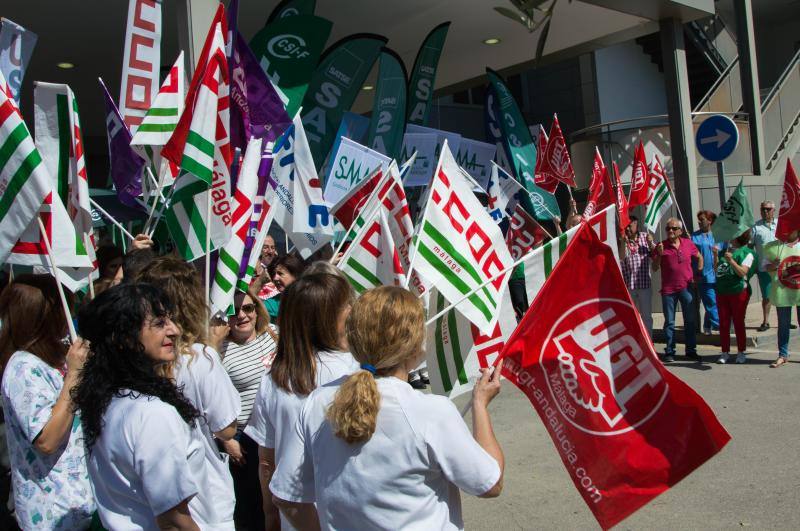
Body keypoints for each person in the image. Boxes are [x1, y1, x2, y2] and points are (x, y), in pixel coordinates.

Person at [270, 286, 504, 530]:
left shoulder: (318, 401)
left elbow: (286, 497)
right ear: (414, 346)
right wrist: (480, 404)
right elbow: (490, 483)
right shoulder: (430, 411)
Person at [71, 283, 205, 529]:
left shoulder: (107, 400)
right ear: (124, 338)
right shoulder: (151, 414)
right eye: (159, 323)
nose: (174, 330)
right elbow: (174, 522)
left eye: (171, 320)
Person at [244, 273, 358, 530]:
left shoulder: (273, 379)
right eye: (345, 305)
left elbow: (266, 461)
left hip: (294, 518)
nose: (352, 310)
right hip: (344, 514)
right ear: (326, 317)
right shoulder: (355, 371)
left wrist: (269, 513)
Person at [137, 258, 241, 529]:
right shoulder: (200, 358)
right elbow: (226, 429)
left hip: (151, 503)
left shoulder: (134, 360)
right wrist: (213, 348)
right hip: (203, 502)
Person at [0, 275, 95, 530]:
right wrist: (74, 375)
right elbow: (47, 439)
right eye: (62, 309)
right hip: (52, 515)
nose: (68, 317)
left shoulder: (57, 358)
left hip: (81, 507)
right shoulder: (22, 367)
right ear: (41, 318)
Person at [219, 288, 279, 531]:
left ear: (256, 310)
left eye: (247, 308)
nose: (242, 316)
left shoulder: (274, 334)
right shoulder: (220, 350)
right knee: (253, 504)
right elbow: (210, 401)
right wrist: (226, 440)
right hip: (246, 438)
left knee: (280, 497)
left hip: (280, 430)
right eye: (234, 312)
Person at [652, 218, 703, 362]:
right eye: (668, 228)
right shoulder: (661, 246)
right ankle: (669, 351)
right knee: (670, 322)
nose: (670, 231)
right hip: (669, 290)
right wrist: (660, 255)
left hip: (686, 287)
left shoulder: (688, 243)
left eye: (674, 228)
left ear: (680, 231)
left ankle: (691, 350)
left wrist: (698, 274)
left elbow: (699, 257)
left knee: (690, 320)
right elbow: (655, 268)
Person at [714, 230, 757, 364]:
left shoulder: (747, 253)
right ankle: (725, 352)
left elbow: (742, 272)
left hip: (738, 292)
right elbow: (718, 270)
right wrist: (716, 256)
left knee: (738, 322)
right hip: (722, 291)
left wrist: (731, 260)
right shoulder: (725, 251)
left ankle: (741, 352)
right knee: (724, 323)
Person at [762, 229, 800, 367]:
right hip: (782, 291)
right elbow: (763, 266)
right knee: (783, 324)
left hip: (798, 291)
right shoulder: (774, 247)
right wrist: (773, 265)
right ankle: (783, 355)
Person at [621, 216, 655, 337]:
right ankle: (636, 342)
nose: (628, 228)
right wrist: (622, 242)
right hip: (629, 286)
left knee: (646, 316)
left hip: (644, 285)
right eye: (626, 226)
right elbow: (621, 258)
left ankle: (649, 342)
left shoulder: (645, 237)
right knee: (631, 317)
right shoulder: (623, 240)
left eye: (630, 225)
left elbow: (655, 254)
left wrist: (651, 243)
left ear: (636, 224)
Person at [692, 211, 720, 334]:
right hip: (703, 277)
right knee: (711, 302)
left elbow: (725, 252)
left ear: (709, 221)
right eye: (698, 220)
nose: (699, 222)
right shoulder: (694, 237)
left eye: (702, 219)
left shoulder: (718, 236)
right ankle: (721, 325)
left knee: (716, 301)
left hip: (718, 275)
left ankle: (707, 326)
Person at [752, 201, 778, 331]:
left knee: (782, 295)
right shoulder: (756, 227)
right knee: (767, 296)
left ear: (773, 210)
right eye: (763, 209)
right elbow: (750, 247)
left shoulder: (780, 224)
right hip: (764, 268)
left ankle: (784, 320)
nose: (765, 212)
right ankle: (766, 321)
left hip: (780, 268)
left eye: (768, 209)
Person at [263, 254, 306, 320]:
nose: (275, 278)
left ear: (295, 275)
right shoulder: (270, 304)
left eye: (280, 273)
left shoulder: (311, 298)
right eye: (273, 274)